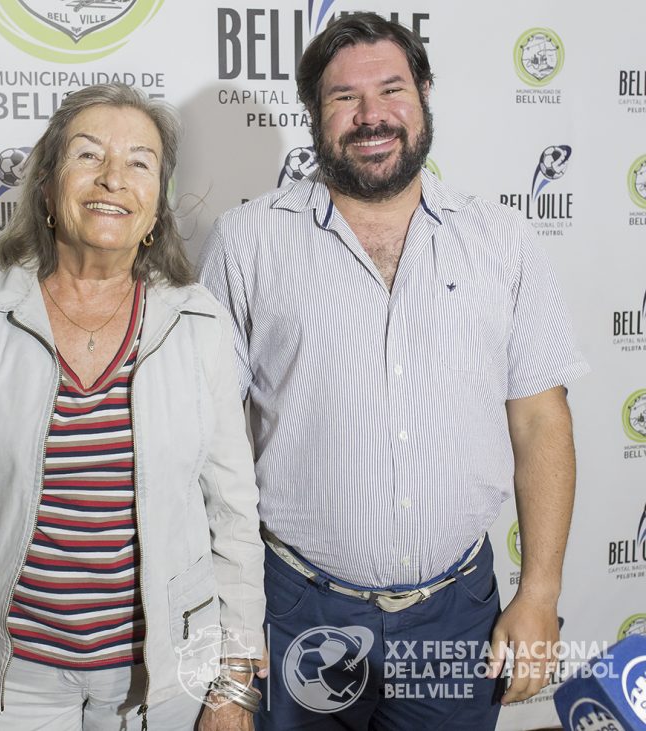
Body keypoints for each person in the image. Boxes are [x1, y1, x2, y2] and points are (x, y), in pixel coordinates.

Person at [198, 13, 589, 730]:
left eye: (390, 89)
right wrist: (228, 652)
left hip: (456, 616)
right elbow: (209, 446)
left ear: (424, 94)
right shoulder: (246, 242)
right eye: (345, 97)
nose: (371, 115)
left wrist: (538, 593)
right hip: (297, 610)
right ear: (315, 114)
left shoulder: (503, 243)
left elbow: (540, 420)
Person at [0, 84, 266, 731]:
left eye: (139, 161)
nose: (113, 177)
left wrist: (230, 687)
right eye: (88, 155)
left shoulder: (199, 325)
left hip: (168, 681)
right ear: (48, 188)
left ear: (156, 207)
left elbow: (232, 515)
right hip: (14, 683)